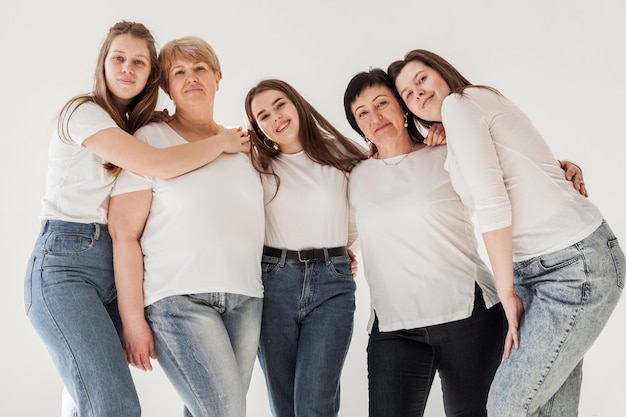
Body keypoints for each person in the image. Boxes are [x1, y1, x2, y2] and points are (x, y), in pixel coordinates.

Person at [23, 21, 249, 417]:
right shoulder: (83, 113)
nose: (127, 68)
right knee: (115, 405)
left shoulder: (135, 127)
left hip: (113, 267)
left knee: (86, 399)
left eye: (139, 62)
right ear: (103, 64)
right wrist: (222, 141)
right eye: (119, 58)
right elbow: (156, 163)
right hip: (65, 264)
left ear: (149, 76)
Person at [388, 49, 624, 416]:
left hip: (574, 264)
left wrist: (506, 291)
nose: (417, 92)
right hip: (547, 267)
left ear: (443, 72)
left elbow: (494, 203)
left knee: (506, 405)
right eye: (407, 93)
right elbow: (521, 162)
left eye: (421, 79)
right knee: (547, 409)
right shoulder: (463, 115)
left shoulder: (460, 103)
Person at [108, 36, 264, 417]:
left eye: (199, 69)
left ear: (217, 77)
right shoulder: (150, 139)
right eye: (179, 72)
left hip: (246, 299)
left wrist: (340, 244)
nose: (191, 78)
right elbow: (123, 233)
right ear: (166, 86)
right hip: (178, 300)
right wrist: (133, 321)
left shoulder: (244, 145)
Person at [344, 68, 507, 417]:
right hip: (395, 327)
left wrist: (561, 167)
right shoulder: (354, 178)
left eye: (382, 103)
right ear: (358, 126)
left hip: (470, 316)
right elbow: (336, 236)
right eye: (362, 113)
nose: (375, 117)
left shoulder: (447, 153)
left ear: (403, 107)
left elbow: (506, 177)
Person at [243, 79, 366, 417]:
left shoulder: (342, 155)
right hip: (274, 283)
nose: (275, 117)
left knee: (314, 405)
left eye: (280, 104)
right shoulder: (256, 163)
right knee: (285, 407)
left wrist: (342, 248)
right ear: (257, 128)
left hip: (333, 285)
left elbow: (362, 209)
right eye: (263, 115)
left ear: (296, 104)